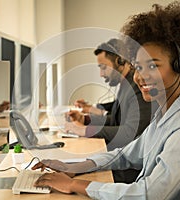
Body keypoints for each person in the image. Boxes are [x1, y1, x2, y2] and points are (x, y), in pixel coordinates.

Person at [32, 1, 180, 199]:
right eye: (137, 66)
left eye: (152, 66)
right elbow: (124, 155)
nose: (140, 76)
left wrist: (74, 184)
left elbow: (149, 194)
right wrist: (72, 166)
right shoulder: (165, 115)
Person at [65, 38, 155, 183]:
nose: (101, 74)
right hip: (121, 158)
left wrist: (87, 130)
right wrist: (86, 120)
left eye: (103, 67)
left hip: (132, 170)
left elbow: (130, 132)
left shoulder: (137, 88)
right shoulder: (126, 84)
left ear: (120, 61)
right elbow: (116, 119)